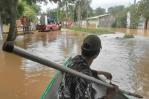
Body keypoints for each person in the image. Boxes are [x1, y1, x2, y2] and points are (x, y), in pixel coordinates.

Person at [59, 35, 118, 99]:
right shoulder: (86, 77)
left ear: (81, 49)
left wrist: (101, 72)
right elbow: (84, 73)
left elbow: (82, 70)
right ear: (97, 54)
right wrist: (109, 96)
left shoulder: (76, 59)